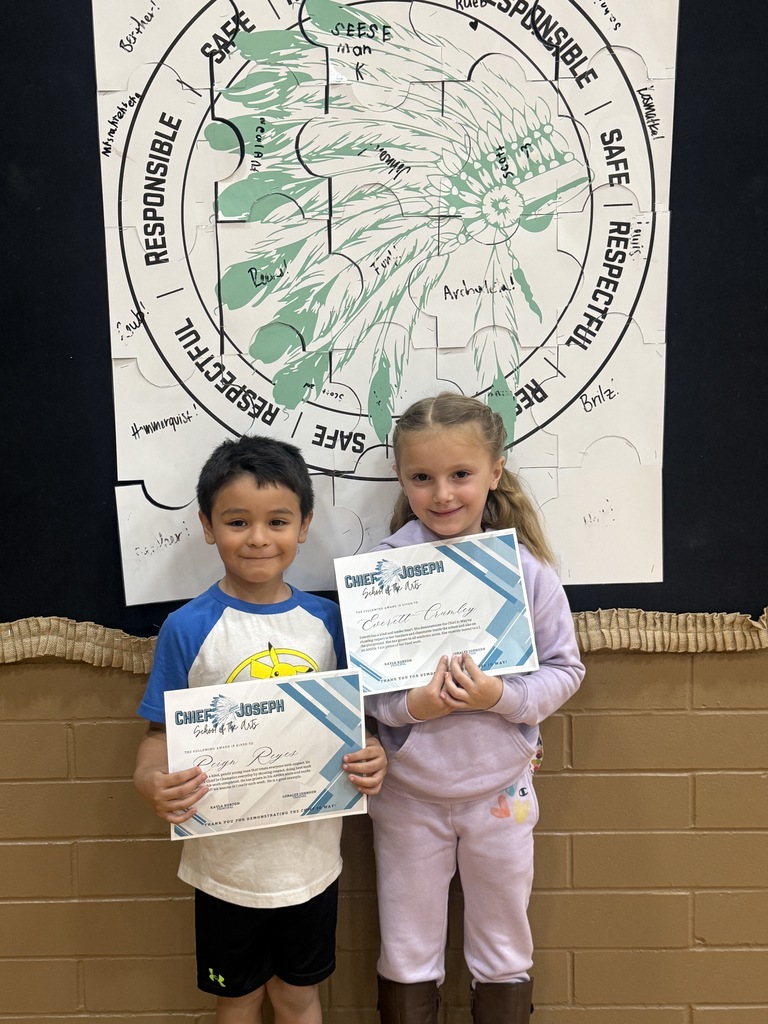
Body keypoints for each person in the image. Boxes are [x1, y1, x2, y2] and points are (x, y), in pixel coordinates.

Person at [133, 435, 386, 1024]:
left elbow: (358, 726)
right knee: (238, 997)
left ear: (304, 526)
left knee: (298, 997)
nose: (257, 538)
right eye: (236, 521)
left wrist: (372, 754)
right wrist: (150, 780)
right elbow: (155, 737)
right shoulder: (186, 628)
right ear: (206, 525)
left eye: (277, 520)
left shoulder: (328, 623)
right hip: (225, 867)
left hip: (312, 864)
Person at [364, 393, 585, 1024]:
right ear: (401, 478)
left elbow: (567, 670)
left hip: (500, 795)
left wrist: (501, 699)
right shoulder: (381, 570)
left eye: (460, 474)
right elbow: (369, 690)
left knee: (504, 947)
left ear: (495, 471)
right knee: (406, 953)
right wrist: (413, 707)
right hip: (407, 797)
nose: (442, 495)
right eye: (422, 478)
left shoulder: (527, 570)